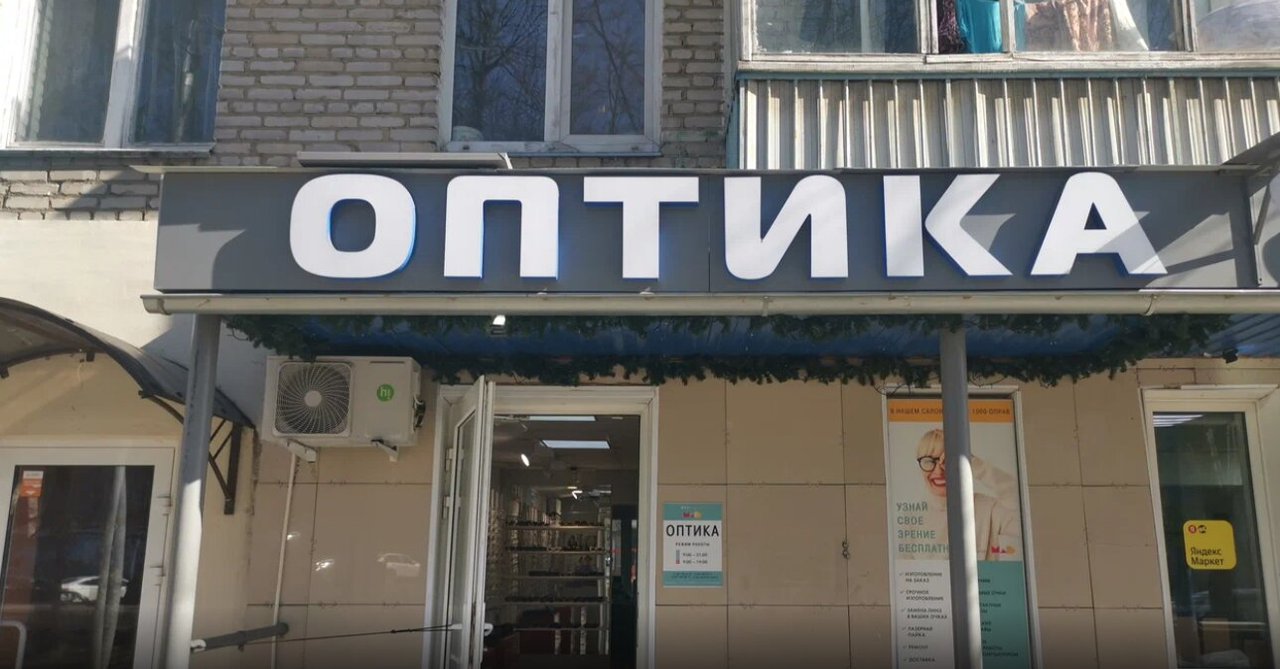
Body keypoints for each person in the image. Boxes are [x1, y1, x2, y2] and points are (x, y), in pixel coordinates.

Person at [914, 428, 1023, 561]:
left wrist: (974, 464)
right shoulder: (913, 518)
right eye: (929, 462)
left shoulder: (989, 509)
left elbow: (1021, 501)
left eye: (947, 461)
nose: (939, 471)